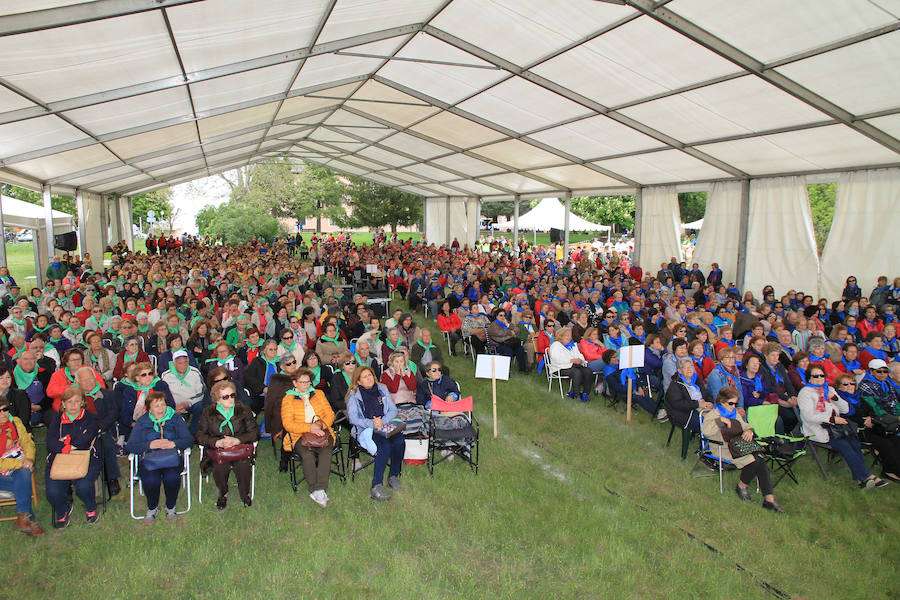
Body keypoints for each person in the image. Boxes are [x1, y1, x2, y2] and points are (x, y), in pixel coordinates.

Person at [798, 363, 887, 489]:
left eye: (821, 375)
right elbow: (808, 416)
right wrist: (832, 419)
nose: (819, 378)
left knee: (855, 443)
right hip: (818, 429)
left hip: (836, 428)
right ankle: (866, 477)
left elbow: (847, 410)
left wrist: (834, 398)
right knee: (845, 445)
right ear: (809, 378)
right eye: (815, 376)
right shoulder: (805, 393)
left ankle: (862, 480)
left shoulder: (829, 390)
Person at [701, 388, 784, 512]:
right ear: (722, 401)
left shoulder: (734, 413)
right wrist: (721, 420)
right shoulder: (713, 414)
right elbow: (706, 431)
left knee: (760, 460)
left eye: (735, 403)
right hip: (722, 448)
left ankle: (769, 499)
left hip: (737, 446)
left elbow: (745, 426)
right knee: (755, 461)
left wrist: (749, 431)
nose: (733, 406)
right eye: (731, 403)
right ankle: (742, 487)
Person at [126, 390, 193, 524]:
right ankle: (152, 508)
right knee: (151, 480)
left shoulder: (175, 418)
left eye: (163, 404)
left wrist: (173, 443)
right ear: (149, 408)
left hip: (171, 458)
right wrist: (150, 444)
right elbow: (131, 446)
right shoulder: (142, 422)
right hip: (149, 459)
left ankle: (170, 507)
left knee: (172, 477)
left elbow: (188, 440)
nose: (161, 408)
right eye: (156, 405)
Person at [195, 379, 259, 509]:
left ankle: (244, 493)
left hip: (240, 449)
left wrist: (238, 440)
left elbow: (254, 433)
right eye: (226, 397)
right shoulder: (208, 412)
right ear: (217, 400)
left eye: (232, 395)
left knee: (243, 466)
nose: (230, 399)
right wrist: (217, 442)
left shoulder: (243, 410)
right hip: (218, 451)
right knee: (220, 467)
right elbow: (200, 436)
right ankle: (223, 494)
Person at [45, 385, 102, 528]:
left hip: (85, 458)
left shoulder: (91, 418)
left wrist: (67, 443)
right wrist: (68, 446)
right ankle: (62, 511)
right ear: (63, 404)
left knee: (83, 486)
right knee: (52, 491)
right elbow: (51, 442)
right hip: (60, 459)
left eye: (77, 401)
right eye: (69, 402)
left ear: (83, 402)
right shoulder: (56, 420)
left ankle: (91, 507)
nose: (73, 405)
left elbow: (88, 437)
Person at [347, 365, 404, 501]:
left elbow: (393, 410)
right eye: (364, 377)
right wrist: (372, 423)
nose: (369, 379)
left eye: (370, 375)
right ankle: (376, 486)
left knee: (400, 442)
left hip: (385, 425)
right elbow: (353, 418)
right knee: (384, 446)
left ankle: (393, 476)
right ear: (358, 381)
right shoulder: (354, 395)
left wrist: (382, 421)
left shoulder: (382, 389)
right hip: (366, 429)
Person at [281, 369, 336, 508]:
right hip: (299, 435)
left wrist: (320, 425)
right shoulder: (288, 399)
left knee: (326, 451)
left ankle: (321, 488)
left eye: (308, 382)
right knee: (307, 455)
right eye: (302, 382)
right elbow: (288, 424)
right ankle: (314, 489)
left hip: (322, 430)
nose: (306, 385)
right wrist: (309, 428)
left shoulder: (319, 393)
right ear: (294, 383)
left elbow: (330, 414)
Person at [0, 396, 43, 536]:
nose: (3, 414)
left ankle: (22, 519)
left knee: (24, 473)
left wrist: (29, 458)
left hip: (18, 468)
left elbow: (27, 442)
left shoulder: (15, 422)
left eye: (5, 409)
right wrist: (21, 463)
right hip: (2, 473)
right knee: (23, 482)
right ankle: (29, 519)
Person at [856, 359, 900, 482]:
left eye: (885, 371)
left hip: (890, 421)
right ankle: (891, 470)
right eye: (879, 371)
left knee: (896, 440)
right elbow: (874, 408)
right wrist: (895, 418)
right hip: (875, 423)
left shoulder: (887, 384)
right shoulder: (866, 386)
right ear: (871, 371)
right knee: (889, 442)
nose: (882, 374)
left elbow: (895, 403)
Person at [161, 350, 206, 435]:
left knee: (201, 406)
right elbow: (164, 394)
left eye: (185, 362)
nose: (183, 365)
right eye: (180, 363)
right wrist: (173, 406)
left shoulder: (195, 372)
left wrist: (187, 403)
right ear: (174, 364)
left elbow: (202, 393)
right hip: (173, 405)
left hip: (191, 403)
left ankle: (192, 433)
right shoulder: (166, 376)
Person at [666, 357, 713, 433]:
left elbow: (706, 394)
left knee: (720, 417)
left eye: (691, 366)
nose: (689, 369)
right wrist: (698, 404)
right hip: (686, 412)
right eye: (686, 367)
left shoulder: (697, 379)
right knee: (709, 425)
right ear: (680, 371)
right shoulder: (675, 384)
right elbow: (678, 404)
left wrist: (711, 402)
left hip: (702, 406)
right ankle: (708, 442)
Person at [548, 327, 594, 402]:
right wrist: (571, 360)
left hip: (573, 366)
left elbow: (580, 355)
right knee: (577, 372)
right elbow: (556, 358)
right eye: (567, 335)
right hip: (559, 368)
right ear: (561, 336)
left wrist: (580, 360)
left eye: (570, 335)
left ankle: (585, 394)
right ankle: (576, 395)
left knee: (588, 371)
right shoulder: (556, 345)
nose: (569, 337)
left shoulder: (572, 345)